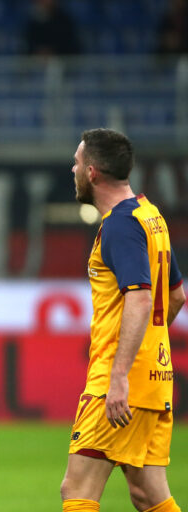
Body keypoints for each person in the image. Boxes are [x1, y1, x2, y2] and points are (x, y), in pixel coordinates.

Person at [60, 128, 185, 512]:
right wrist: (147, 351)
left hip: (121, 381)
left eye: (77, 163)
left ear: (92, 172)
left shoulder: (120, 224)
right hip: (156, 379)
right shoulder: (151, 217)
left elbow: (141, 297)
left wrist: (119, 376)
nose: (73, 169)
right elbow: (176, 296)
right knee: (148, 494)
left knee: (76, 489)